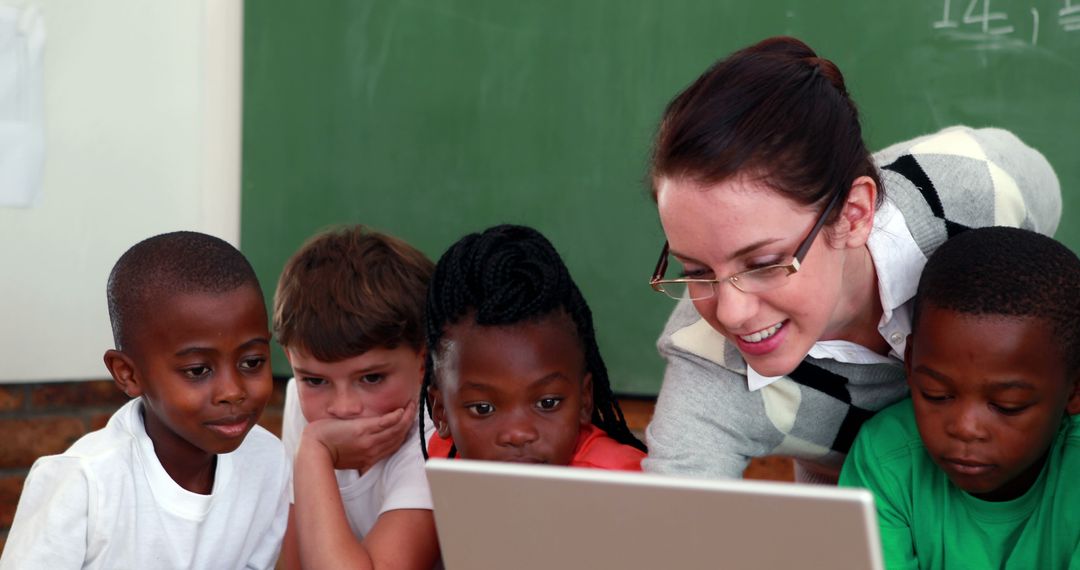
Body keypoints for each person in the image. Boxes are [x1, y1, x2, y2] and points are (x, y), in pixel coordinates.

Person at [642, 36, 1061, 482]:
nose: (731, 313)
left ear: (854, 213)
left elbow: (1045, 208)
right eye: (697, 271)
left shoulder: (968, 195)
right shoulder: (707, 365)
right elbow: (672, 533)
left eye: (763, 262)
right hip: (867, 533)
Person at [0, 231, 289, 569]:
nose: (232, 391)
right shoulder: (84, 483)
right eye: (198, 370)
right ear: (128, 374)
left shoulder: (267, 462)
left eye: (251, 362)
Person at [839, 226, 1080, 569]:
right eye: (936, 395)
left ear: (1075, 389)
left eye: (1007, 405)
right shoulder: (887, 457)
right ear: (910, 366)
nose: (965, 428)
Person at [274, 226, 440, 570]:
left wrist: (314, 455)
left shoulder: (437, 432)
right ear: (292, 363)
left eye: (372, 377)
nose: (343, 408)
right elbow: (294, 564)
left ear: (423, 362)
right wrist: (313, 452)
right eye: (315, 380)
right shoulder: (303, 407)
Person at [422, 224, 646, 470]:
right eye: (482, 408)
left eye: (547, 403)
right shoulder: (444, 461)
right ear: (441, 412)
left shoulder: (621, 484)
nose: (518, 434)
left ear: (585, 400)